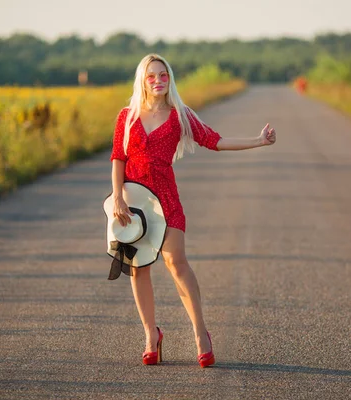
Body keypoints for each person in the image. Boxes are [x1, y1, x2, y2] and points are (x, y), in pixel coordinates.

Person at [110, 54, 276, 367]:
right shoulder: (127, 116)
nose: (158, 81)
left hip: (166, 200)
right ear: (142, 80)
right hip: (134, 202)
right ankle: (151, 335)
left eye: (163, 76)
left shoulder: (180, 115)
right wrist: (117, 197)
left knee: (176, 263)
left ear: (169, 79)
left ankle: (201, 332)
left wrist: (259, 141)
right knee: (138, 267)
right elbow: (118, 157)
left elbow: (216, 141)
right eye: (151, 76)